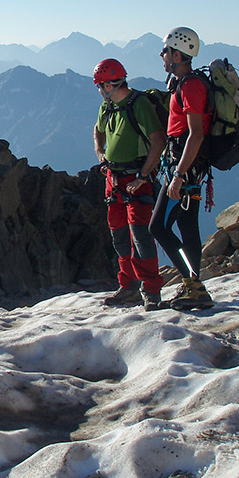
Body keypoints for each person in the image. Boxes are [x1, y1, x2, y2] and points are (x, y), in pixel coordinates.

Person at [149, 27, 214, 310]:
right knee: (188, 227)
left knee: (158, 227)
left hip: (184, 170)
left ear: (177, 54)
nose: (162, 55)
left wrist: (177, 176)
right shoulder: (184, 83)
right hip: (190, 170)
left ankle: (193, 285)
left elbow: (195, 134)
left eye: (165, 51)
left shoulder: (190, 86)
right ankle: (194, 288)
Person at [93, 59, 166, 310]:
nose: (99, 90)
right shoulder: (108, 106)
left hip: (136, 180)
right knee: (120, 235)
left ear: (108, 85)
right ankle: (129, 286)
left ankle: (151, 290)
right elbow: (98, 130)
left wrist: (143, 176)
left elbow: (158, 140)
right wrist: (100, 152)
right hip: (114, 179)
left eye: (100, 85)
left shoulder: (139, 104)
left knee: (141, 235)